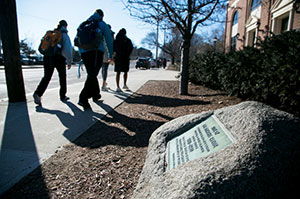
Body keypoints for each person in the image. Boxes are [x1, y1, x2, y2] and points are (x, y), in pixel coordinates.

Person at [77, 9, 113, 109]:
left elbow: (78, 40)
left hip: (84, 52)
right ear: (102, 16)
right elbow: (108, 40)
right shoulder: (101, 24)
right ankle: (82, 98)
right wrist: (110, 54)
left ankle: (96, 95)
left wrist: (81, 53)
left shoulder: (83, 24)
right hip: (96, 52)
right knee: (92, 75)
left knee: (91, 74)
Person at [33, 20, 72, 106]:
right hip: (59, 57)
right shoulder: (64, 35)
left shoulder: (51, 34)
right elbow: (67, 50)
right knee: (62, 77)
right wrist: (69, 61)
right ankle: (63, 95)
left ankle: (38, 93)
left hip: (47, 56)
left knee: (47, 77)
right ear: (65, 26)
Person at [113, 28, 133, 92]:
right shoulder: (127, 40)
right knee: (125, 72)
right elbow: (131, 48)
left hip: (118, 57)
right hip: (125, 57)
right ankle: (124, 84)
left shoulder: (116, 40)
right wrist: (127, 54)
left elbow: (113, 49)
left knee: (118, 72)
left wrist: (114, 56)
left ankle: (118, 86)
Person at [101, 24, 114, 91]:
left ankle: (104, 83)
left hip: (101, 53)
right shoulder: (109, 35)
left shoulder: (101, 34)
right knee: (105, 69)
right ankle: (103, 85)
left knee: (103, 70)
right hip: (106, 55)